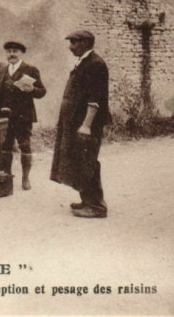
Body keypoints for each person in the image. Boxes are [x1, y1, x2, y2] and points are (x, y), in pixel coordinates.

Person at [50, 30, 110, 218]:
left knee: (87, 161)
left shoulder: (95, 64)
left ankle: (96, 206)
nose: (70, 47)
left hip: (86, 124)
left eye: (74, 43)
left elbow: (95, 99)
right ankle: (87, 200)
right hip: (76, 123)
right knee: (79, 160)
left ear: (85, 43)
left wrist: (86, 125)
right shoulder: (84, 62)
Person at [0, 41, 46, 190]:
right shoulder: (1, 70)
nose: (11, 54)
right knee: (5, 146)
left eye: (15, 51)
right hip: (4, 115)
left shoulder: (30, 69)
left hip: (23, 116)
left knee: (24, 146)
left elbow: (42, 91)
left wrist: (32, 90)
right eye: (9, 51)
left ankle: (25, 178)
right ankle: (7, 177)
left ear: (21, 53)